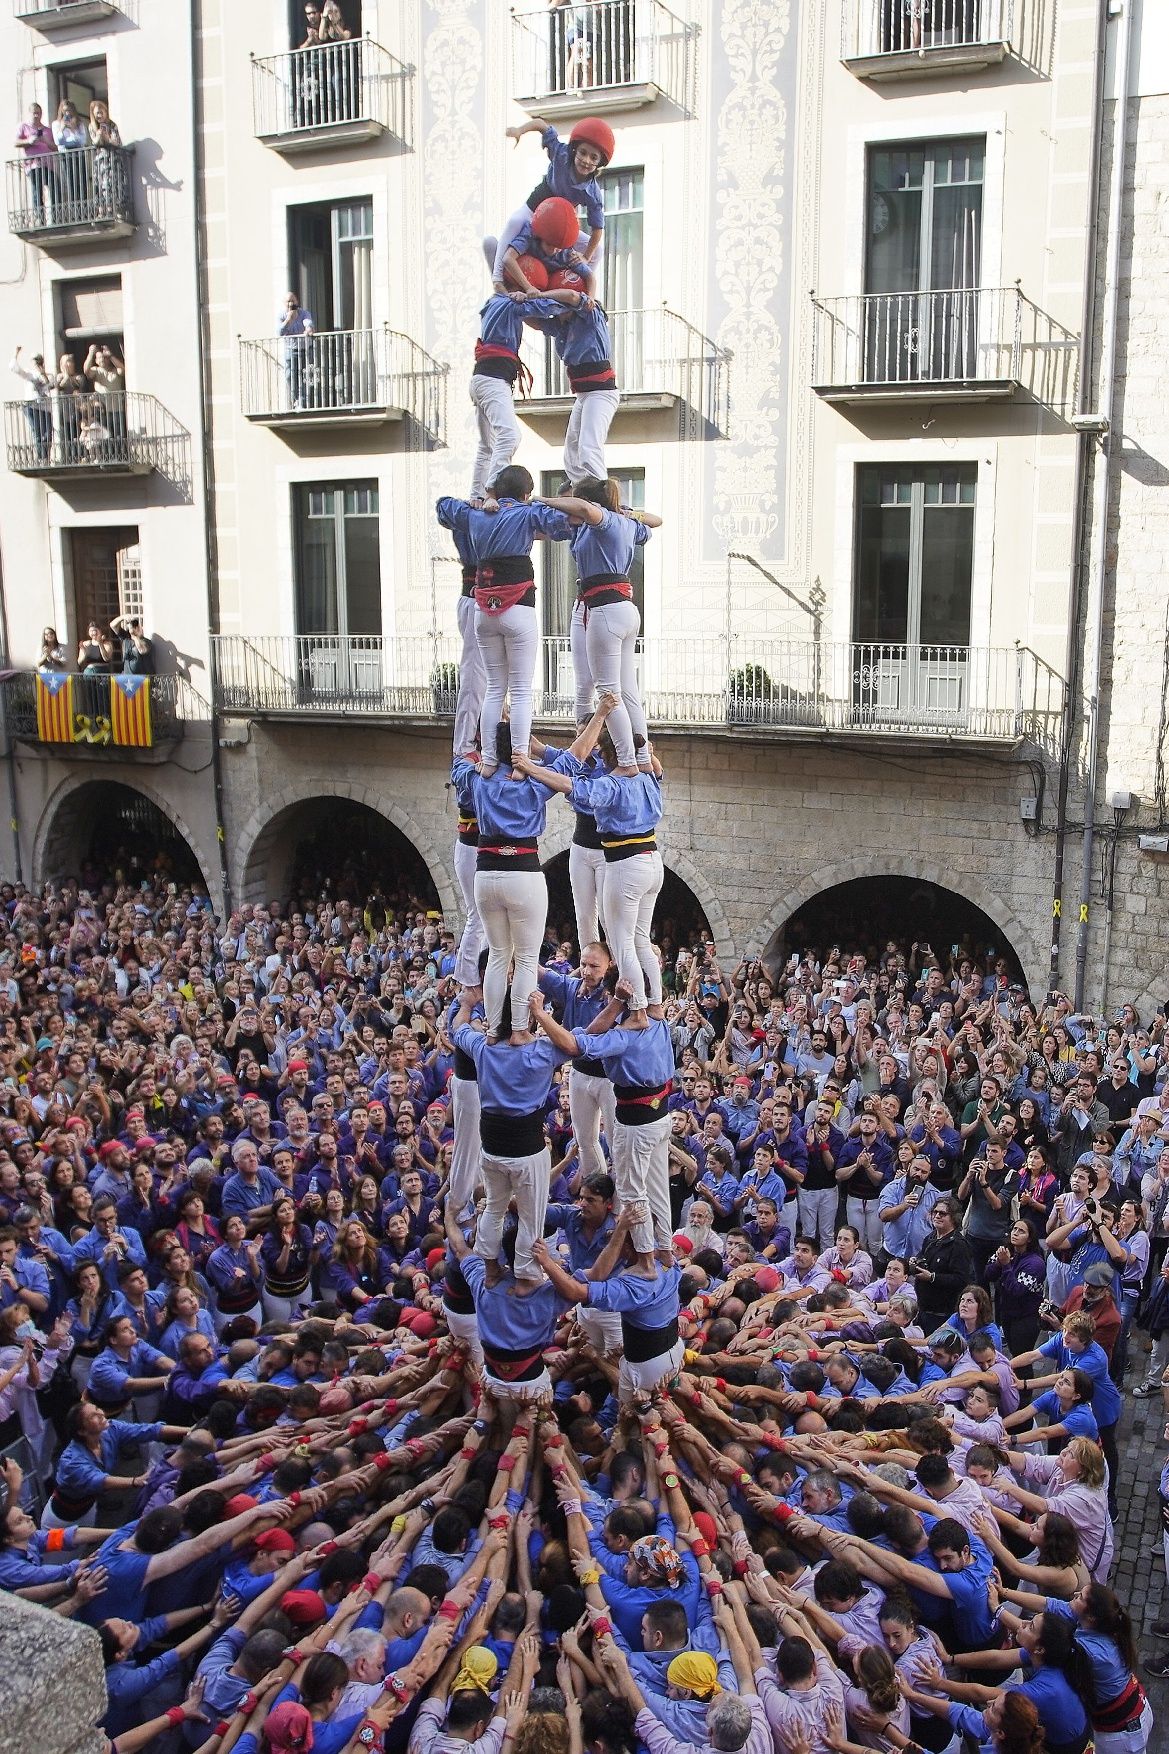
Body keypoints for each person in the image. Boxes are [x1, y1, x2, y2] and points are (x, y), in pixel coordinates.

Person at [437, 468, 573, 769]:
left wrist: (478, 502)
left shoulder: (477, 515)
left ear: (496, 492)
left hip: (483, 610)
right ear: (526, 494)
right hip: (518, 607)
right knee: (521, 689)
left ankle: (486, 759)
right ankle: (521, 760)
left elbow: (443, 507)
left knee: (495, 689)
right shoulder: (526, 513)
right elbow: (565, 526)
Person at [538, 480, 660, 767]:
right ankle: (641, 758)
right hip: (626, 610)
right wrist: (631, 514)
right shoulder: (623, 522)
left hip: (604, 612)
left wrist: (539, 499)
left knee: (609, 692)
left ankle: (628, 761)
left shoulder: (605, 522)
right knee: (628, 690)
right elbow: (654, 522)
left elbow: (582, 508)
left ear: (591, 505)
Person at [487, 116, 612, 288]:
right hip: (535, 209)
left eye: (593, 158)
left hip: (559, 225)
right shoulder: (561, 154)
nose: (586, 161)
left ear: (599, 163)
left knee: (597, 250)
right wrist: (519, 131)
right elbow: (541, 125)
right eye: (583, 153)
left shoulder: (592, 192)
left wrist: (586, 257)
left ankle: (576, 287)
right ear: (575, 149)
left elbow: (598, 229)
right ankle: (497, 279)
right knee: (515, 221)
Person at [9, 348, 53, 464]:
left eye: (38, 360)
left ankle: (46, 457)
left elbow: (50, 387)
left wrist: (43, 374)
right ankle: (41, 458)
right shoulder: (29, 374)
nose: (37, 363)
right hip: (32, 406)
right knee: (37, 432)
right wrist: (16, 353)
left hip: (45, 408)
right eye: (35, 361)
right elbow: (15, 368)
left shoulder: (48, 375)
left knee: (47, 434)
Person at [14, 103, 55, 224]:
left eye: (39, 113)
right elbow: (16, 142)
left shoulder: (47, 130)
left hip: (48, 165)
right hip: (33, 165)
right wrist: (29, 141)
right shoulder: (24, 126)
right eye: (34, 113)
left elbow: (55, 147)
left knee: (54, 186)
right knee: (37, 191)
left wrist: (46, 141)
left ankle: (55, 216)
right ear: (30, 114)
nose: (37, 115)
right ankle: (40, 219)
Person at [278, 293, 315, 410]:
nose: (291, 304)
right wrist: (289, 319)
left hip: (304, 349)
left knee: (304, 375)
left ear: (297, 302)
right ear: (285, 304)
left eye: (292, 301)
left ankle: (303, 401)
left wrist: (308, 329)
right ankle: (297, 399)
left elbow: (308, 323)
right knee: (290, 375)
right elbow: (280, 332)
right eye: (288, 301)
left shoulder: (304, 313)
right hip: (290, 349)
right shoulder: (282, 315)